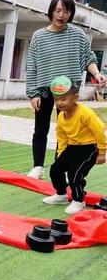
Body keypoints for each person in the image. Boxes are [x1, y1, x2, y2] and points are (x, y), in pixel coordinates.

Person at [26, 0, 107, 180]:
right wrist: (33, 94)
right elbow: (32, 66)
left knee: (67, 130)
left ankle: (59, 167)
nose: (62, 15)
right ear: (51, 11)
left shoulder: (77, 34)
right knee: (41, 129)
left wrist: (96, 74)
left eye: (67, 11)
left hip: (68, 93)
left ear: (71, 13)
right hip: (45, 91)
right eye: (58, 10)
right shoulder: (38, 37)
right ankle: (37, 166)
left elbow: (88, 57)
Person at [42, 76, 106, 214]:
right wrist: (60, 157)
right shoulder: (61, 116)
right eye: (56, 99)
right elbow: (62, 137)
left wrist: (102, 152)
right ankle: (61, 195)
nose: (59, 103)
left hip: (89, 147)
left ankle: (79, 200)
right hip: (72, 147)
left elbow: (99, 131)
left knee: (75, 173)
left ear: (75, 97)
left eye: (63, 99)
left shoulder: (86, 113)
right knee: (55, 169)